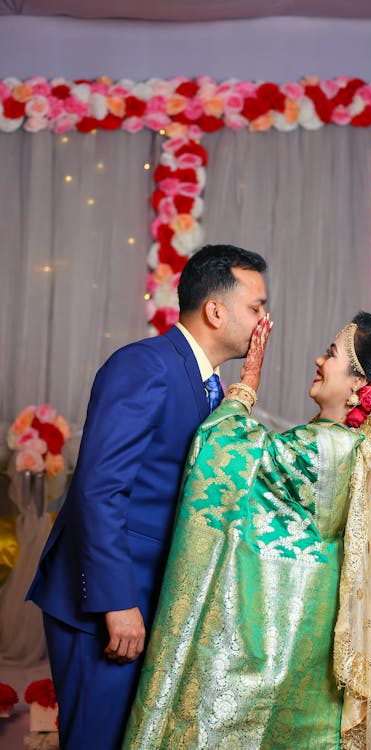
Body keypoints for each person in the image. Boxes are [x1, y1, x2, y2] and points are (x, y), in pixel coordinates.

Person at [122, 311, 371, 750]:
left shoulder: (325, 448)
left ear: (358, 384)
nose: (319, 360)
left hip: (274, 639)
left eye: (332, 354)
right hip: (305, 637)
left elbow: (224, 455)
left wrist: (245, 384)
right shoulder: (352, 450)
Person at [26, 244, 268, 750]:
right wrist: (117, 603)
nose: (265, 319)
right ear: (216, 310)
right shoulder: (145, 366)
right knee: (96, 739)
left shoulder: (208, 385)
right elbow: (100, 488)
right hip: (105, 602)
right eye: (257, 307)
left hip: (153, 597)